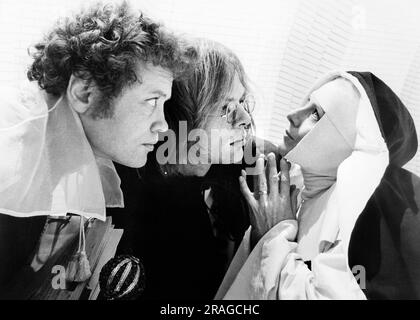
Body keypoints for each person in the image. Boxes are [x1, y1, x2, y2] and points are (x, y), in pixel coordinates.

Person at [0, 1, 194, 298]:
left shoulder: (55, 153)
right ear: (84, 92)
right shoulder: (10, 170)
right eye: (152, 101)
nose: (163, 126)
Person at [215, 70, 420, 299]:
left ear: (348, 142)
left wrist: (276, 235)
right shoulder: (292, 184)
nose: (292, 115)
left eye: (315, 114)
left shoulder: (357, 221)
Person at [110, 38, 281, 299]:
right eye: (226, 108)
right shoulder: (133, 192)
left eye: (243, 103)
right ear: (183, 115)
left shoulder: (242, 166)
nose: (245, 119)